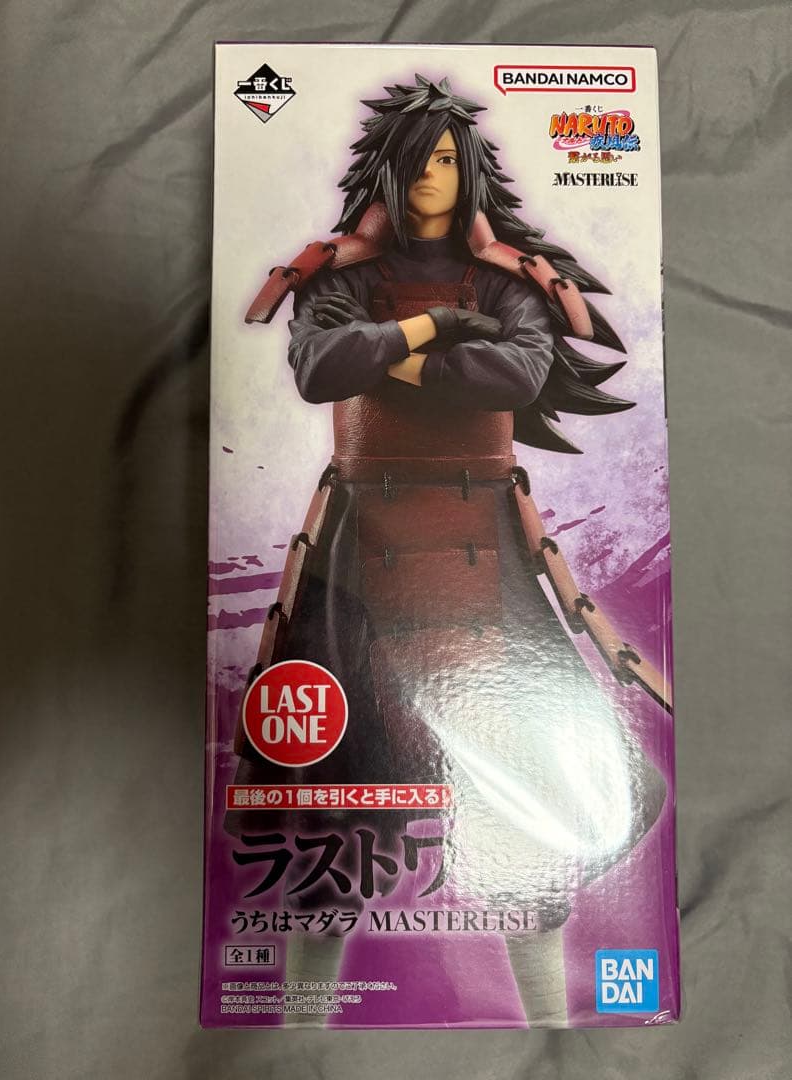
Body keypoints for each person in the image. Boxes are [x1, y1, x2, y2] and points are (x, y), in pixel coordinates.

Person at [228, 75, 667, 1027]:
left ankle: (552, 1035)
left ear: (467, 170)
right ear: (386, 169)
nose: (431, 176)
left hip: (490, 555)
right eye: (416, 158)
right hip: (356, 555)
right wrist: (433, 327)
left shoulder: (509, 283)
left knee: (552, 801)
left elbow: (517, 372)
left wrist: (399, 355)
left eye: (445, 158)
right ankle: (298, 1036)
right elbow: (319, 367)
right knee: (330, 812)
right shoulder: (336, 278)